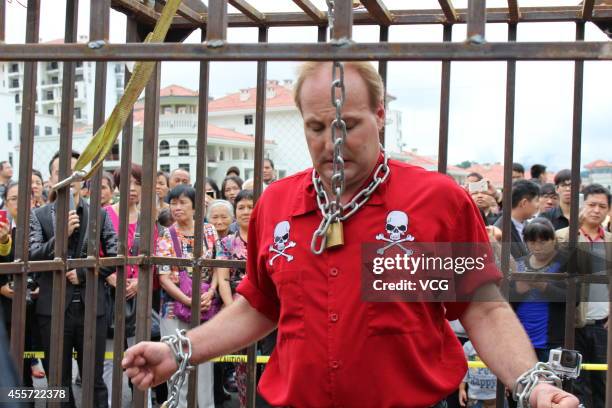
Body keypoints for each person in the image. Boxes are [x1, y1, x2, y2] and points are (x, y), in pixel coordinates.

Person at [123, 62, 579, 408]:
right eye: (317, 128)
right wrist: (180, 350)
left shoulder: (436, 201)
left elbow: (481, 309)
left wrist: (531, 384)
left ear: (380, 115)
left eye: (348, 125)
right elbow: (260, 305)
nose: (332, 143)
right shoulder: (276, 204)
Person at [29, 150, 116, 408]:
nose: (68, 177)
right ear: (51, 178)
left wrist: (85, 273)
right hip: (53, 309)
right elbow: (32, 257)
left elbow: (115, 256)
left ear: (83, 178)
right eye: (60, 172)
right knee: (58, 382)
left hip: (92, 308)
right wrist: (61, 237)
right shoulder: (40, 215)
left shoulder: (98, 214)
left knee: (94, 379)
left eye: (74, 172)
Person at [156, 184, 218, 408]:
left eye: (183, 202)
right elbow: (163, 277)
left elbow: (219, 267)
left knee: (204, 365)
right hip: (174, 309)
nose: (177, 207)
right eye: (173, 202)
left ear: (195, 207)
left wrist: (210, 292)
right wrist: (188, 300)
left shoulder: (209, 231)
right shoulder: (166, 235)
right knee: (177, 364)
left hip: (205, 305)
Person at [557, 184, 612, 408]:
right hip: (572, 322)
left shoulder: (609, 239)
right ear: (582, 206)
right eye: (591, 205)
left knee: (602, 380)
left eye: (602, 206)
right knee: (573, 381)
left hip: (602, 321)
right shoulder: (563, 236)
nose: (596, 210)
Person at [102, 164, 146, 406]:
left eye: (138, 183)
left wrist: (140, 282)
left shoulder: (147, 218)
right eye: (128, 183)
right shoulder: (104, 214)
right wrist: (112, 277)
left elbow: (154, 258)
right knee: (108, 358)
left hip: (139, 295)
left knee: (141, 355)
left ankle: (143, 402)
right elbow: (95, 254)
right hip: (109, 294)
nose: (133, 189)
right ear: (118, 185)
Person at [0, 182, 42, 397]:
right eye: (14, 198)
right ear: (6, 203)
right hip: (6, 306)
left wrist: (40, 285)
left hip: (34, 307)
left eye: (24, 197)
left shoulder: (42, 224)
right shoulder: (3, 227)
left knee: (26, 362)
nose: (19, 203)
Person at [510, 218, 569, 362]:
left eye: (542, 242)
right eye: (532, 242)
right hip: (521, 339)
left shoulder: (564, 264)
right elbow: (506, 300)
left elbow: (575, 299)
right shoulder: (520, 263)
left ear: (553, 240)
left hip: (551, 341)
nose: (537, 247)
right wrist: (517, 291)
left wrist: (544, 287)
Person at [215, 189, 253, 407]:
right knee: (242, 363)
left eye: (251, 206)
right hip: (237, 306)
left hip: (267, 306)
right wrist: (231, 308)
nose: (246, 211)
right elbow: (223, 279)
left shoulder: (269, 236)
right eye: (241, 207)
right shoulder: (226, 243)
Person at [494, 179, 541, 260]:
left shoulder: (528, 226)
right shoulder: (500, 231)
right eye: (536, 200)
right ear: (524, 203)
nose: (538, 205)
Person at [459, 340, 497, 408]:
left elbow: (505, 367)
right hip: (475, 396)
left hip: (496, 396)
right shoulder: (468, 346)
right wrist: (461, 389)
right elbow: (463, 369)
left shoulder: (499, 346)